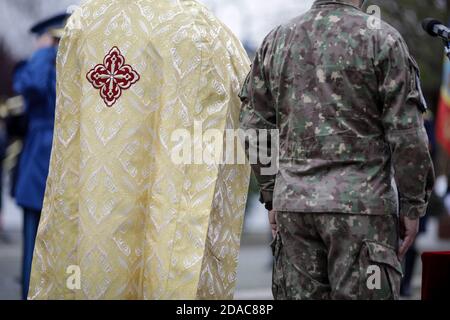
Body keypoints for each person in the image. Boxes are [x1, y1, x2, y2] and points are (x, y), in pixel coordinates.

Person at [28, 0, 250, 300]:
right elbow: (243, 111)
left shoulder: (82, 23)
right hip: (165, 208)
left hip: (93, 206)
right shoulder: (202, 31)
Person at [240, 0, 435, 300]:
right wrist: (412, 205)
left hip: (295, 208)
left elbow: (254, 129)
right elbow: (408, 135)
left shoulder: (277, 40)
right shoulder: (382, 39)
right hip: (362, 211)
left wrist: (271, 194)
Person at [13, 13, 69, 300]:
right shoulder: (46, 64)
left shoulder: (60, 61)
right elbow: (29, 87)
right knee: (35, 241)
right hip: (43, 160)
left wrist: (48, 50)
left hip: (58, 160)